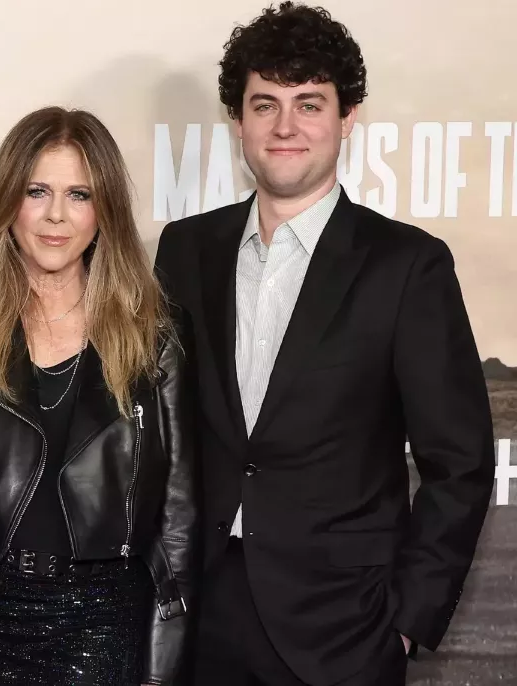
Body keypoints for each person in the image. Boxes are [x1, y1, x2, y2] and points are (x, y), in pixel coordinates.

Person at [152, 4, 496, 686]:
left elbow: (459, 461)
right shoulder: (186, 250)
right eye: (265, 104)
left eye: (309, 103)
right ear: (237, 119)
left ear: (347, 118)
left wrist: (403, 624)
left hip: (347, 630)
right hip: (201, 618)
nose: (286, 126)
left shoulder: (407, 266)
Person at [0, 106, 197, 686]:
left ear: (106, 211)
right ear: (7, 201)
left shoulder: (156, 336)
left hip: (102, 629)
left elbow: (177, 521)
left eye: (79, 194)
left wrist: (161, 673)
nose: (55, 216)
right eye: (37, 190)